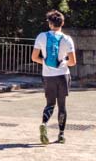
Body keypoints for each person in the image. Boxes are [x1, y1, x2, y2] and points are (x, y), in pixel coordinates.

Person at [31, 9, 77, 145]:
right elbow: (73, 62)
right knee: (62, 106)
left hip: (48, 75)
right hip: (63, 75)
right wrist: (62, 63)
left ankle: (44, 124)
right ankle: (61, 135)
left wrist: (45, 62)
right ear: (62, 23)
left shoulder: (41, 36)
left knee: (50, 103)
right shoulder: (67, 39)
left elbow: (34, 57)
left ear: (50, 23)